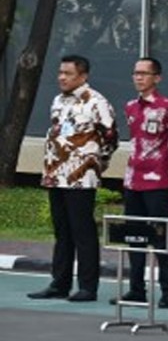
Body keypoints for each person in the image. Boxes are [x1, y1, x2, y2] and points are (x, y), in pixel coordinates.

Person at [28, 55, 119, 302]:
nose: (61, 77)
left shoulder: (96, 101)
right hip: (56, 175)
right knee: (62, 231)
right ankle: (60, 283)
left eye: (67, 73)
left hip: (81, 177)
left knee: (83, 231)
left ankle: (88, 287)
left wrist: (96, 164)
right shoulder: (58, 101)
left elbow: (111, 137)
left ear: (83, 76)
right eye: (60, 72)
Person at [115, 57, 168, 309]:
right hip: (132, 180)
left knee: (161, 238)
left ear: (156, 78)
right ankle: (136, 289)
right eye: (135, 73)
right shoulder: (129, 107)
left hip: (158, 183)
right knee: (134, 237)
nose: (139, 78)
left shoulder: (167, 107)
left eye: (144, 73)